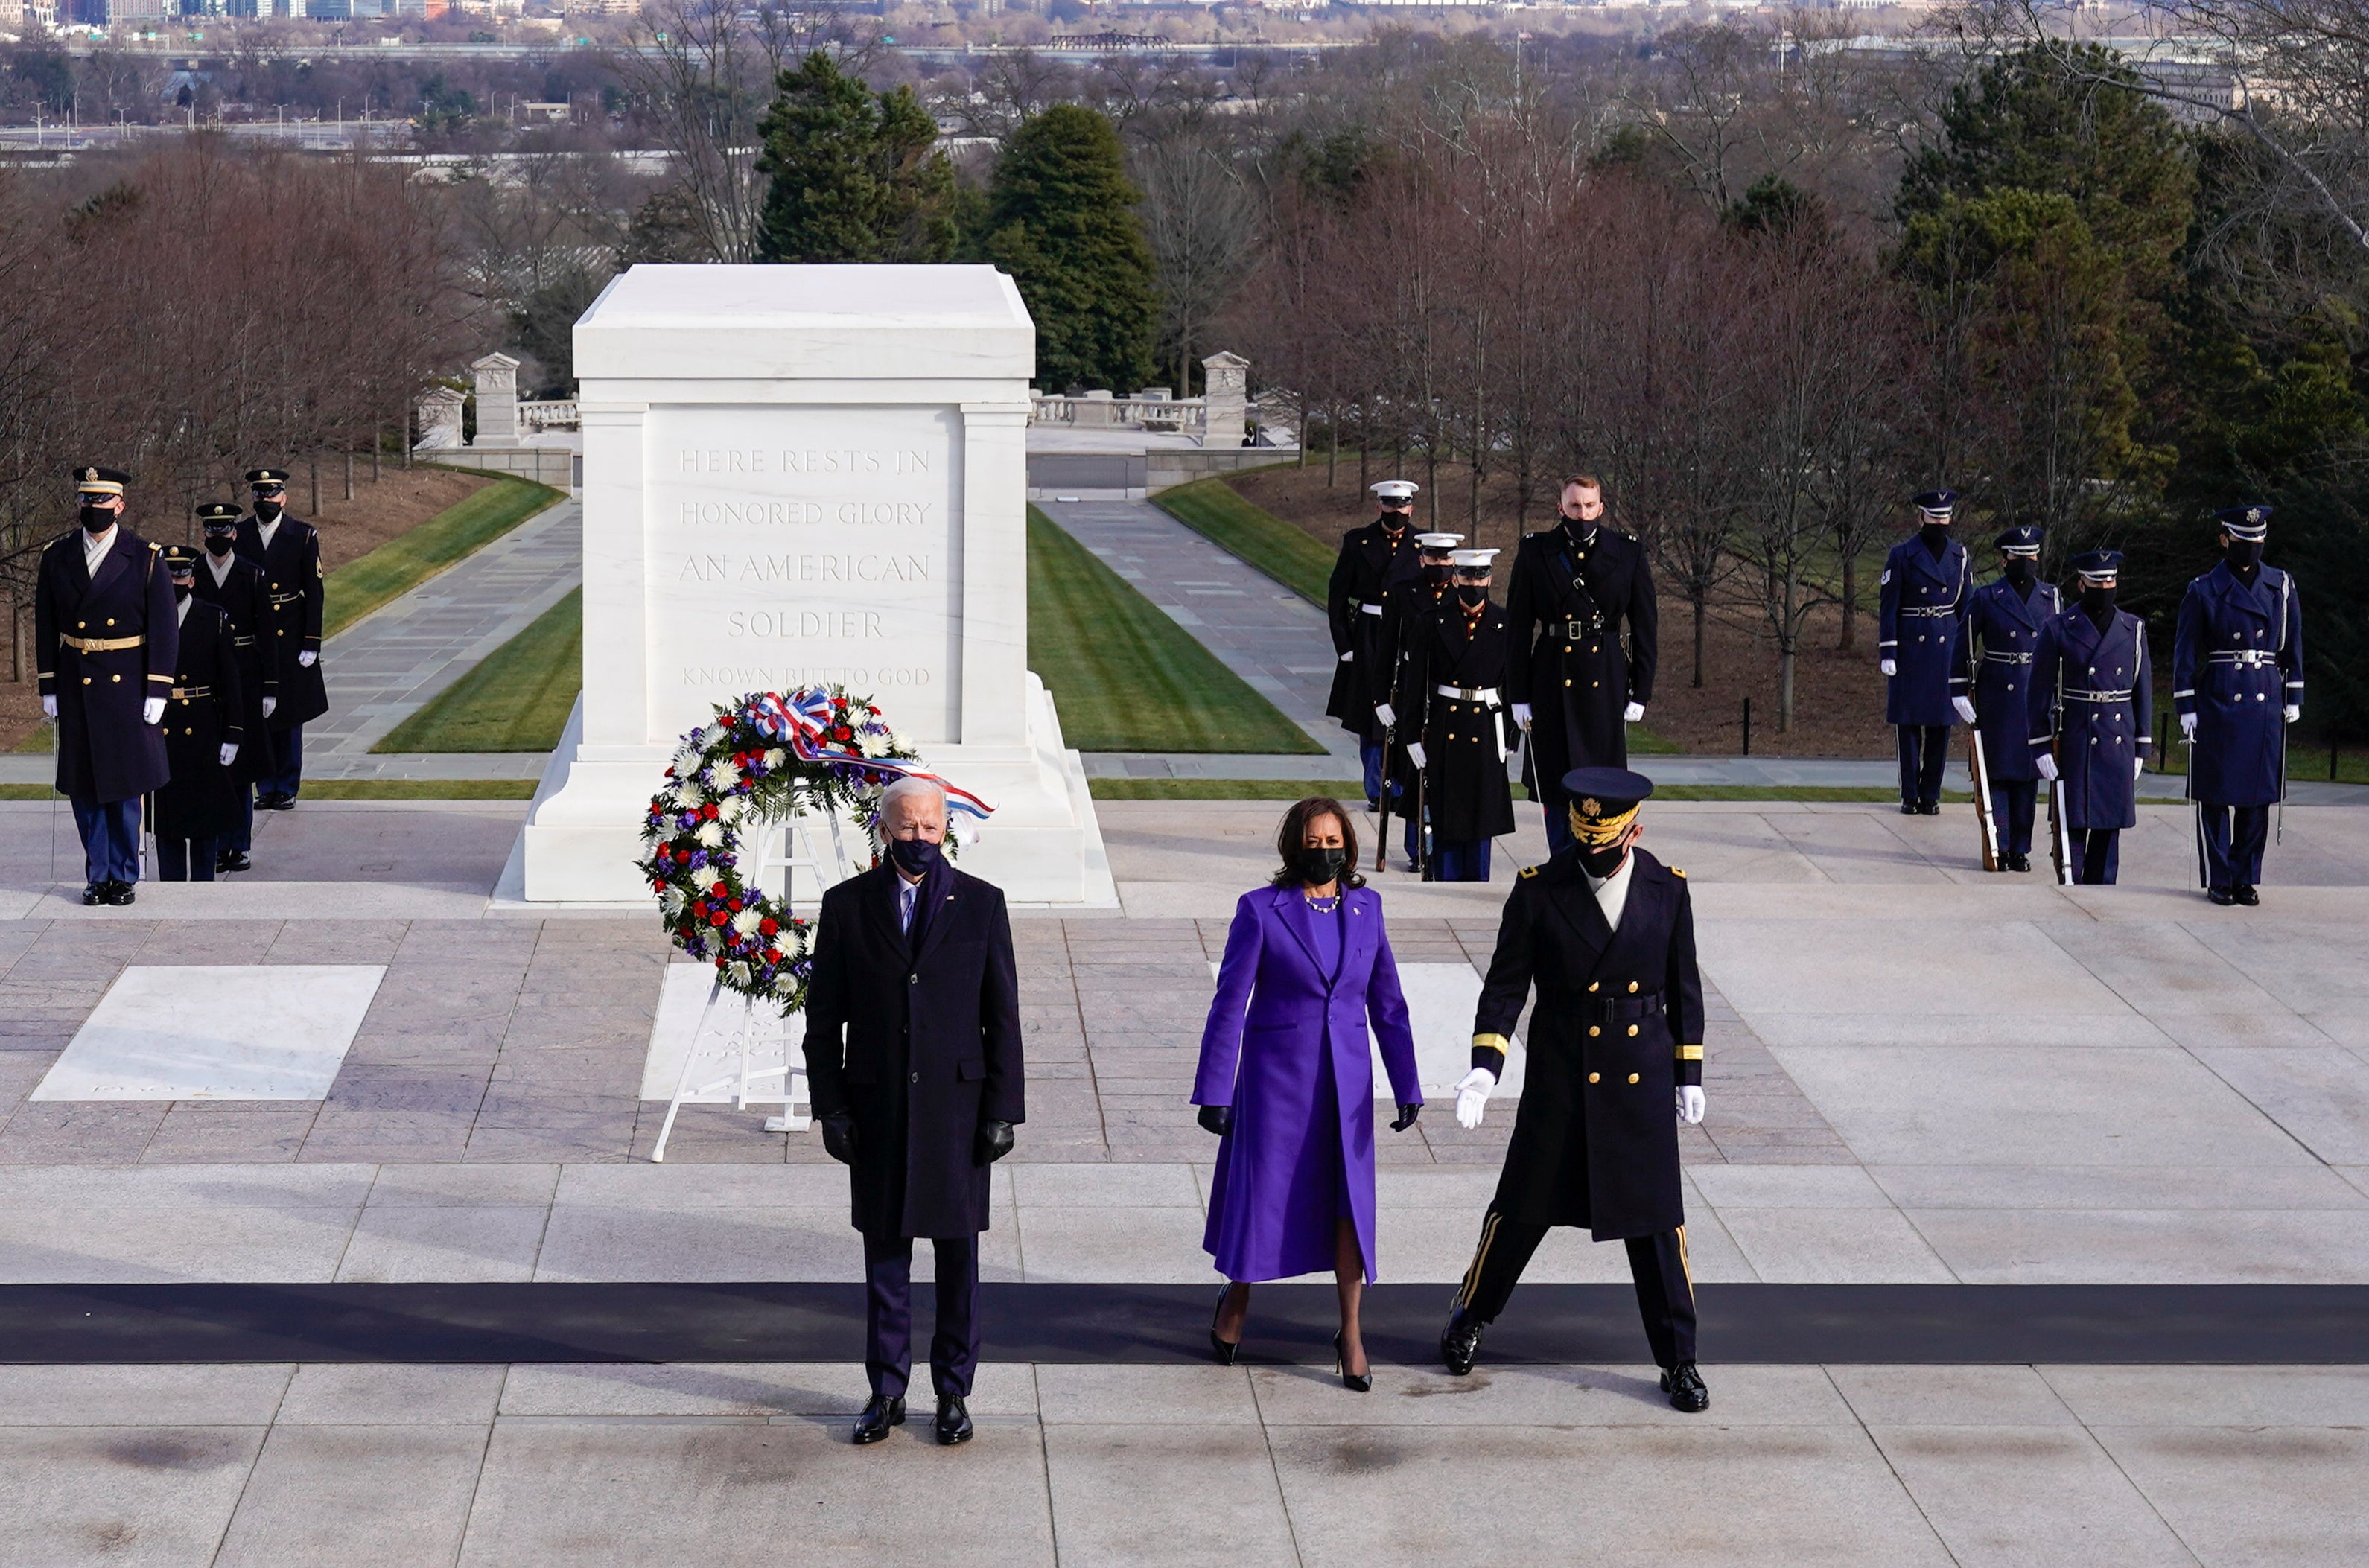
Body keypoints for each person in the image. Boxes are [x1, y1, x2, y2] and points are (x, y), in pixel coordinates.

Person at [1440, 768, 1710, 1412]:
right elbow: (1506, 987)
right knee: (1521, 1210)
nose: (1590, 850)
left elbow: (1684, 986)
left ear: (1633, 830)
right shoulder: (1537, 891)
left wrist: (1688, 1072)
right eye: (1580, 835)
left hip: (1638, 1080)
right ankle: (1470, 1315)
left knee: (1656, 1228)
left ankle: (1679, 1361)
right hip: (1563, 1072)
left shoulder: (1666, 890)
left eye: (1604, 838)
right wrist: (1485, 1065)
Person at [803, 777, 1024, 1447]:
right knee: (885, 1262)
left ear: (944, 828)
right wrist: (831, 1107)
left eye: (931, 827)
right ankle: (886, 1390)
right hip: (879, 1111)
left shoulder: (982, 904)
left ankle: (953, 1391)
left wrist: (1003, 1110)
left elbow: (1002, 1016)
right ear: (883, 829)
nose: (920, 839)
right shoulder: (846, 905)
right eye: (908, 828)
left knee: (958, 1260)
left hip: (958, 1114)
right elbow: (823, 1019)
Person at [1193, 797, 1422, 1391]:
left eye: (1334, 841)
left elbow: (1387, 1002)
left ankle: (1349, 1333)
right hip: (1276, 1086)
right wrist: (1215, 1089)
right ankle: (1236, 1301)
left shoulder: (1368, 908)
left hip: (1346, 1089)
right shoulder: (1260, 911)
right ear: (1294, 848)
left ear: (1348, 844)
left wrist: (1406, 1083)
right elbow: (1228, 1005)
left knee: (1349, 1207)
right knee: (1263, 1200)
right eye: (1314, 843)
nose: (1326, 852)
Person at [34, 466, 176, 907]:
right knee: (85, 785)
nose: (93, 509)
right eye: (86, 501)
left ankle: (124, 875)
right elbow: (44, 624)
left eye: (101, 502)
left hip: (127, 683)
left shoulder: (145, 557)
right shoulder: (57, 557)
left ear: (120, 505)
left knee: (124, 784)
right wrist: (48, 684)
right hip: (77, 682)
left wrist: (158, 690)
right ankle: (97, 874)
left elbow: (165, 628)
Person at [1506, 474, 1657, 855]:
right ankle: (1561, 865)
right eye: (1575, 506)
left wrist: (1641, 689)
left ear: (1601, 508)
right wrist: (1518, 694)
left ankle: (1601, 860)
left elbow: (1645, 626)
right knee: (1556, 783)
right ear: (1561, 508)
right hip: (1551, 676)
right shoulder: (1535, 551)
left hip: (1604, 677)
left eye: (1590, 506)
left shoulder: (1627, 553)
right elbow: (1519, 629)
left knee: (1603, 784)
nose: (1583, 513)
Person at [2174, 505, 2303, 906]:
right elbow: (2185, 653)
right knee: (2215, 793)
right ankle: (2220, 877)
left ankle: (2245, 876)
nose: (2252, 548)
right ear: (2225, 540)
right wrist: (2186, 705)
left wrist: (2294, 694)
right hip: (2219, 694)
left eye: (2258, 541)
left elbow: (2293, 645)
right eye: (2244, 541)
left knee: (2256, 795)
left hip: (2263, 694)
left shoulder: (2280, 586)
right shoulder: (2203, 589)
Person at [1388, 548, 1516, 882]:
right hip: (1446, 722)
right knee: (1446, 814)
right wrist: (1412, 736)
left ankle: (1477, 882)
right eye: (1468, 577)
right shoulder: (1431, 622)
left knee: (1481, 816)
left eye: (1480, 577)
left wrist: (1513, 733)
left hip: (1487, 726)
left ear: (1489, 579)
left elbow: (1517, 683)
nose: (1474, 584)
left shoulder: (1505, 623)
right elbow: (1415, 685)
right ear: (1456, 578)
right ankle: (1443, 878)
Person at [2031, 551, 2152, 886]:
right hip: (2077, 736)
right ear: (2081, 584)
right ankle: (2072, 887)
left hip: (2117, 739)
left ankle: (2103, 891)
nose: (2105, 587)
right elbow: (2039, 692)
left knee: (2108, 827)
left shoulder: (2132, 628)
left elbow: (2142, 690)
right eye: (2098, 581)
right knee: (2073, 824)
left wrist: (2142, 744)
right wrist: (2040, 744)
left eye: (2111, 580)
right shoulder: (2058, 628)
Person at [1955, 526, 2060, 873]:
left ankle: (2021, 848)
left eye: (2032, 556)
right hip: (1998, 691)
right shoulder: (1987, 597)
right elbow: (1964, 643)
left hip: (2035, 691)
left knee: (2028, 776)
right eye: (2019, 556)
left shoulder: (2051, 599)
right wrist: (1958, 690)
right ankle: (1998, 844)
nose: (2027, 562)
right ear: (2004, 559)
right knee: (1998, 774)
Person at [187, 501, 275, 873]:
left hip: (246, 675)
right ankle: (219, 843)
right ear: (204, 534)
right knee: (214, 767)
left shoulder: (252, 576)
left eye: (224, 531)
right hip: (209, 678)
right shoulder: (192, 575)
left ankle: (240, 843)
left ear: (234, 534)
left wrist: (270, 687)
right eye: (212, 531)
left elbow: (268, 636)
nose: (218, 537)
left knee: (242, 767)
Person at [1326, 481, 1424, 812]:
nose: (1396, 512)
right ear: (1378, 506)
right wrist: (1345, 645)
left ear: (1411, 508)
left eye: (1402, 506)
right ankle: (1377, 788)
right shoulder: (1358, 542)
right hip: (1369, 634)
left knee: (1405, 709)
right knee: (1371, 717)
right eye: (1390, 505)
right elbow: (1337, 595)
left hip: (1407, 635)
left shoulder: (1422, 545)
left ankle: (1399, 784)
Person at [150, 546, 244, 882]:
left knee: (205, 822)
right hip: (162, 725)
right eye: (167, 576)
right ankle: (172, 887)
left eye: (179, 575)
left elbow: (230, 681)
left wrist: (233, 733)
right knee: (168, 821)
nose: (174, 582)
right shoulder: (148, 620)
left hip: (203, 725)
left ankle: (204, 888)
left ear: (191, 579)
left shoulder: (213, 618)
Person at [234, 468, 325, 812]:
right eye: (260, 496)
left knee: (288, 715)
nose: (266, 501)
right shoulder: (240, 535)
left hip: (290, 632)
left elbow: (314, 591)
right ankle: (265, 784)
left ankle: (286, 784)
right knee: (259, 716)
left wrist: (311, 642)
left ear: (283, 498)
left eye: (272, 495)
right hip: (256, 635)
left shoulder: (301, 535)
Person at [1880, 489, 1974, 816]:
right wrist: (1888, 650)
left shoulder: (1959, 557)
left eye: (1944, 518)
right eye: (1934, 517)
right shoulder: (1902, 554)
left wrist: (1968, 657)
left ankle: (1931, 794)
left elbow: (1966, 610)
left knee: (1940, 727)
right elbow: (1889, 605)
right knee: (1908, 725)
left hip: (1945, 646)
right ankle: (1910, 794)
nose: (1939, 523)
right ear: (1920, 518)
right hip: (1910, 645)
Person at [1374, 530, 1463, 868]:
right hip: (1416, 690)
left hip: (1450, 693)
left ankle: (1443, 844)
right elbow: (1387, 649)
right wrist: (1380, 697)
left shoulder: (1462, 596)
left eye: (1446, 558)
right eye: (1434, 557)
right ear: (1422, 558)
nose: (1440, 564)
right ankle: (1418, 848)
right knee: (1417, 771)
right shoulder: (1402, 594)